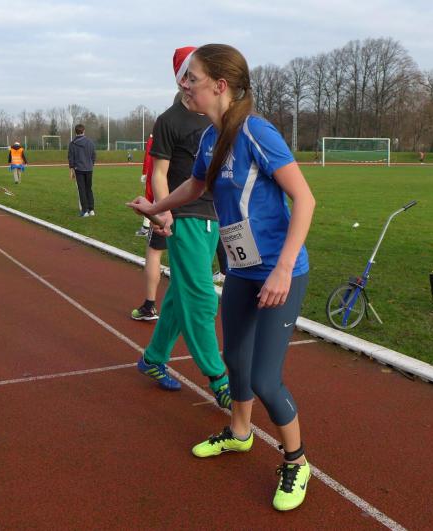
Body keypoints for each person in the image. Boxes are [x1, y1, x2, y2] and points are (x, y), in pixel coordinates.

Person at [131, 43, 316, 512]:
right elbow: (196, 185)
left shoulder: (257, 132)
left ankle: (296, 461)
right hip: (241, 270)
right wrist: (156, 208)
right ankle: (239, 432)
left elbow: (305, 199)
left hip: (279, 273)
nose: (183, 85)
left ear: (220, 85)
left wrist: (282, 269)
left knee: (265, 379)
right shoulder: (211, 139)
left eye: (191, 77)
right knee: (234, 358)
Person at [132, 46, 232, 413]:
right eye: (191, 73)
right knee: (203, 297)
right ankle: (219, 380)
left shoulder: (216, 117)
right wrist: (165, 213)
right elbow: (158, 174)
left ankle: (153, 358)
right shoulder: (169, 120)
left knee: (179, 296)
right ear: (182, 79)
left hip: (213, 217)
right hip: (185, 216)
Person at [131, 133, 164, 320]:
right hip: (200, 209)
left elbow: (156, 169)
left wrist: (152, 206)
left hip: (166, 204)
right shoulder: (206, 132)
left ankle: (150, 305)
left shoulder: (164, 131)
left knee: (154, 252)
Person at [68, 124, 96, 217]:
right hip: (89, 169)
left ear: (75, 132)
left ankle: (85, 211)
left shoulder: (72, 144)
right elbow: (93, 155)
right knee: (89, 189)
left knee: (82, 190)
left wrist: (71, 169)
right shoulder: (90, 142)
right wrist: (91, 164)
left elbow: (71, 157)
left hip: (79, 169)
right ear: (83, 131)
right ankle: (91, 210)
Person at [135, 134, 154, 238]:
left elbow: (148, 156)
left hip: (154, 171)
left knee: (149, 198)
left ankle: (146, 227)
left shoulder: (153, 138)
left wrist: (144, 172)